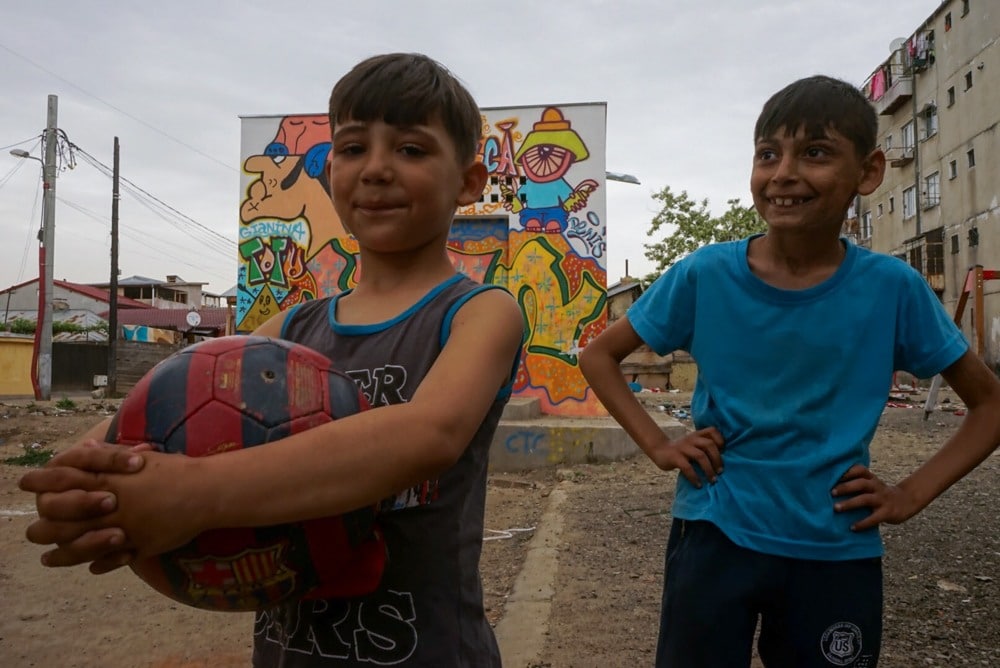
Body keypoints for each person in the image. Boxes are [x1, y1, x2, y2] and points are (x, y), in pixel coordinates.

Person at [19, 52, 525, 667]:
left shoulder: (479, 312)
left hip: (431, 652)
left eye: (412, 150)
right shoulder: (293, 326)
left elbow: (427, 434)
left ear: (470, 182)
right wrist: (86, 484)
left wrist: (198, 493)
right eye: (353, 148)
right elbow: (147, 416)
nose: (376, 170)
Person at [579, 75, 1000, 667]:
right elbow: (597, 355)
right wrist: (658, 443)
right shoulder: (705, 275)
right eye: (767, 154)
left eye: (816, 153)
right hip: (715, 532)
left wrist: (911, 493)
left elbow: (990, 405)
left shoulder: (893, 290)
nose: (783, 174)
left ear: (869, 172)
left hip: (836, 548)